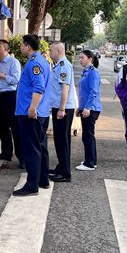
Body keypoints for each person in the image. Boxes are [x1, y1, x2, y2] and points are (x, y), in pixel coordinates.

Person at [12, 34, 51, 197]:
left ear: (28, 47)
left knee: (31, 149)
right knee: (40, 146)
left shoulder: (34, 63)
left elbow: (38, 87)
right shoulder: (41, 60)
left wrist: (32, 108)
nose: (21, 47)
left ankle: (31, 185)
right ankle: (42, 179)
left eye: (22, 44)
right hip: (40, 112)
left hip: (31, 113)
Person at [49, 42, 77, 182]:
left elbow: (65, 89)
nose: (49, 53)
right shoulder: (58, 65)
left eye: (51, 50)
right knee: (59, 139)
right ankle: (61, 167)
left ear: (58, 51)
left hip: (63, 108)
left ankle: (65, 173)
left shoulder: (63, 65)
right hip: (58, 106)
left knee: (62, 140)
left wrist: (61, 108)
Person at [0, 39, 22, 166]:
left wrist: (2, 76)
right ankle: (6, 152)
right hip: (1, 96)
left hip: (11, 96)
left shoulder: (13, 62)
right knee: (2, 126)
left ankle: (22, 157)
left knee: (15, 127)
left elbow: (16, 79)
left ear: (6, 49)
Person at [76, 50, 102, 171]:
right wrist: (80, 108)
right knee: (87, 135)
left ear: (90, 58)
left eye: (82, 57)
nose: (80, 60)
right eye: (79, 57)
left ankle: (89, 163)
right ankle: (91, 159)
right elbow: (83, 93)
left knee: (88, 135)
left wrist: (87, 107)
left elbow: (93, 91)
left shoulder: (93, 73)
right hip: (85, 107)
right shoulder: (86, 72)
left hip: (91, 108)